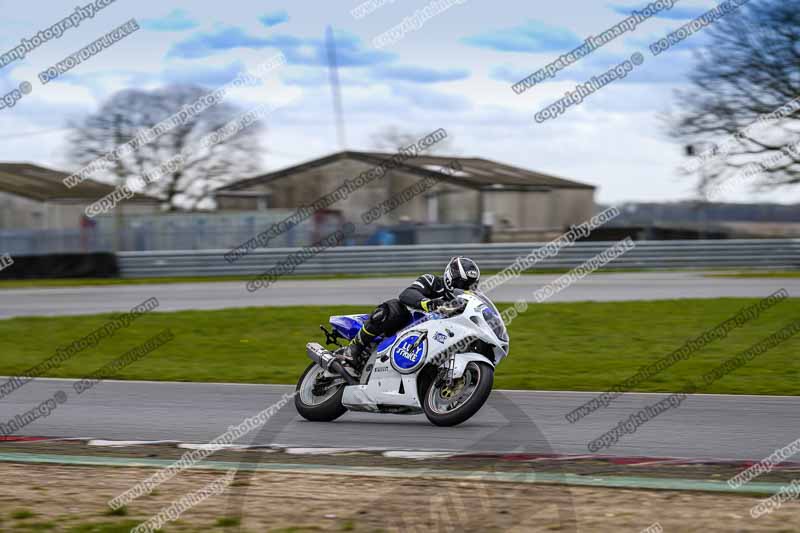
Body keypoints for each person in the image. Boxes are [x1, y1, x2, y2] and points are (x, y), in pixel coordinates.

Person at [335, 257, 481, 372]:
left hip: (430, 341)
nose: (465, 289)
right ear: (451, 277)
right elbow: (407, 294)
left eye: (469, 286)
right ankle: (353, 349)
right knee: (394, 309)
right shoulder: (432, 281)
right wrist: (428, 303)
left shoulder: (464, 303)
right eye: (462, 284)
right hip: (402, 328)